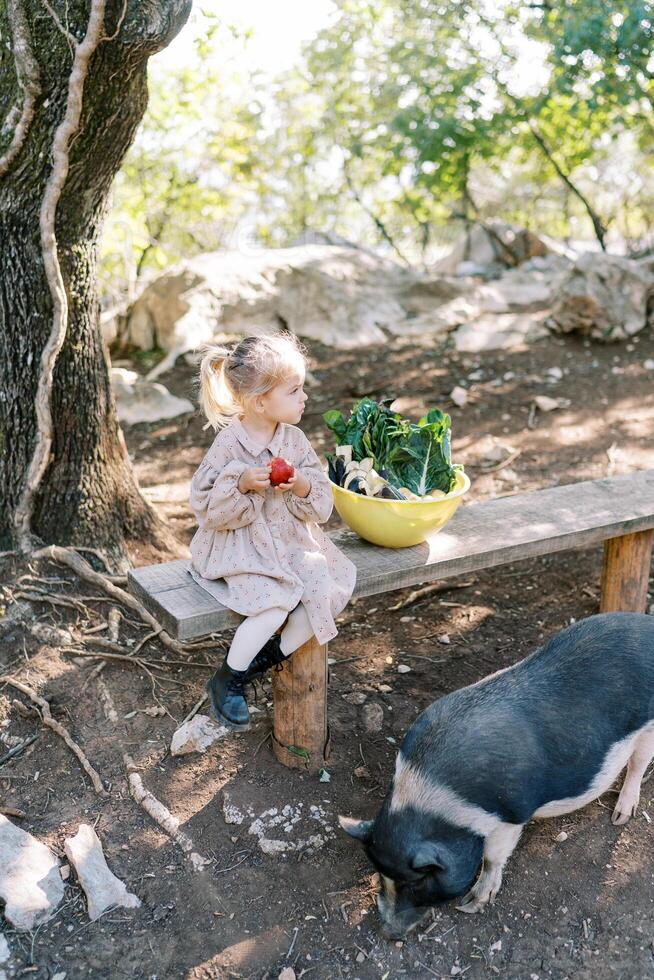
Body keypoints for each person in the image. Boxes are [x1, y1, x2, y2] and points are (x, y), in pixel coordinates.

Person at [188, 332, 357, 730]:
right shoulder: (229, 445)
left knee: (321, 589)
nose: (305, 398)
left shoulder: (294, 441)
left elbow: (320, 503)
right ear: (260, 400)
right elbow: (205, 506)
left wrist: (300, 485)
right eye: (294, 390)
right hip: (242, 546)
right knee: (275, 603)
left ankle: (254, 666)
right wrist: (241, 483)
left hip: (290, 541)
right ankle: (226, 681)